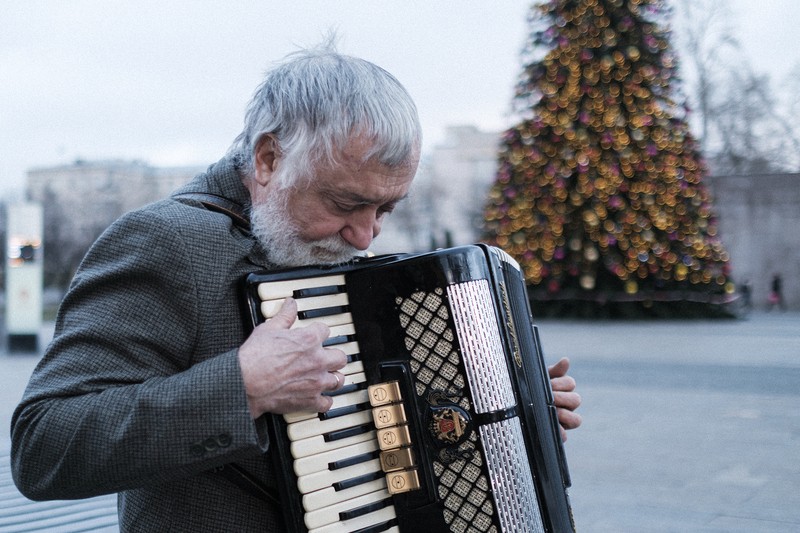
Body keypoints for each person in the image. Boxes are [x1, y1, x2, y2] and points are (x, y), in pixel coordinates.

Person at [11, 43, 582, 532]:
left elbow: (394, 420)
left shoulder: (335, 251)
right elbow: (44, 446)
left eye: (385, 207)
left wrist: (506, 407)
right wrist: (244, 387)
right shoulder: (164, 242)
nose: (364, 237)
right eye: (344, 204)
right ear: (267, 158)